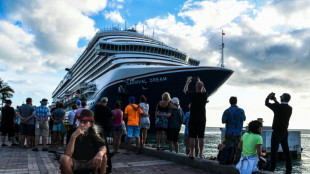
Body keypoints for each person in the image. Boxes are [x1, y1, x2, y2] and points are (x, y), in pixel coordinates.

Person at [60, 109, 107, 174]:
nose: (82, 125)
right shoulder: (72, 131)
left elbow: (103, 147)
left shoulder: (97, 132)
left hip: (91, 161)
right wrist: (73, 137)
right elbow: (67, 154)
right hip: (76, 161)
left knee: (104, 157)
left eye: (85, 122)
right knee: (64, 159)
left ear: (91, 124)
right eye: (80, 121)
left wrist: (101, 153)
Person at [265, 92, 292, 174]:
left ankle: (272, 169)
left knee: (274, 151)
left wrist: (268, 96)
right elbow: (280, 106)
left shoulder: (278, 107)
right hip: (284, 132)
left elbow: (266, 103)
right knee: (287, 151)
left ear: (282, 99)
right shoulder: (290, 108)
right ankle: (289, 170)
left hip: (276, 132)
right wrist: (275, 100)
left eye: (281, 97)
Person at [183, 76, 208, 159]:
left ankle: (192, 153)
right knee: (201, 137)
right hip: (202, 119)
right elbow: (204, 90)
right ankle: (201, 154)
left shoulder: (192, 95)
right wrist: (200, 81)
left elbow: (185, 91)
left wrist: (187, 82)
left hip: (193, 118)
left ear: (195, 87)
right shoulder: (205, 95)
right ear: (202, 87)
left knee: (192, 137)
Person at [222, 96, 246, 164]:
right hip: (238, 133)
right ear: (236, 101)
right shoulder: (241, 111)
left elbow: (223, 121)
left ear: (230, 102)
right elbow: (244, 118)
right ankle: (237, 162)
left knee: (229, 147)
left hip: (229, 132)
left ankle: (229, 161)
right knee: (238, 148)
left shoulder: (227, 111)